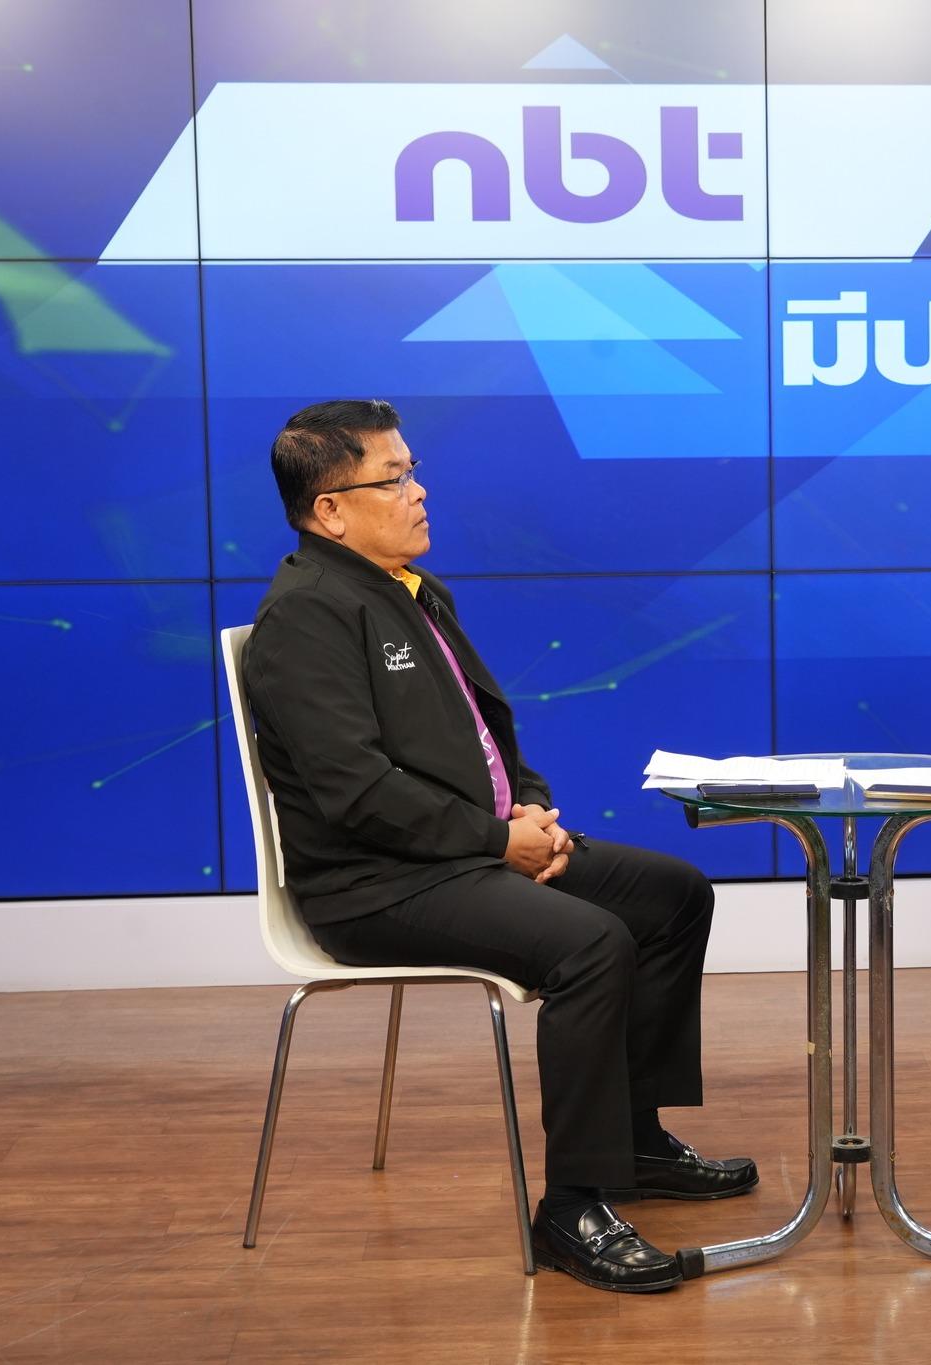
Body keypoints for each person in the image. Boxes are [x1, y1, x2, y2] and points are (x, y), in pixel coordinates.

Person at [242, 399, 751, 1294]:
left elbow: (486, 735)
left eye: (412, 470)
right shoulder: (306, 616)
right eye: (393, 478)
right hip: (374, 885)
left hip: (466, 852)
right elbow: (357, 793)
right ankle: (574, 1206)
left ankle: (634, 1141)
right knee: (590, 943)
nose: (418, 491)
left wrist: (532, 813)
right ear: (330, 510)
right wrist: (495, 840)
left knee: (671, 894)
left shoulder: (412, 589)